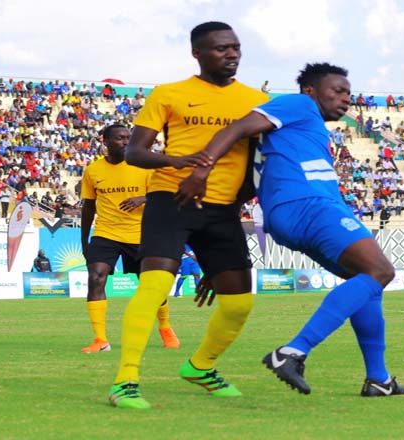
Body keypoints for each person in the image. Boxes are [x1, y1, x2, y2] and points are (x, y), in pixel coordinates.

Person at [176, 62, 404, 397]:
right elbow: (238, 127)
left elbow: (250, 181)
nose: (346, 98)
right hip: (308, 205)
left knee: (366, 281)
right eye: (338, 90)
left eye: (348, 93)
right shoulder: (298, 104)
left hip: (294, 211)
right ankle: (293, 352)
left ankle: (379, 379)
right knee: (380, 271)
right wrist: (202, 168)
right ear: (311, 90)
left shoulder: (297, 129)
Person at [107, 21, 269, 410]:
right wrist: (180, 163)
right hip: (170, 200)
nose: (231, 54)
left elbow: (257, 166)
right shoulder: (169, 94)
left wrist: (235, 203)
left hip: (223, 210)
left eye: (236, 47)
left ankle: (201, 366)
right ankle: (124, 381)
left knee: (238, 303)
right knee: (154, 287)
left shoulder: (256, 100)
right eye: (221, 49)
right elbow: (134, 152)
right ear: (197, 53)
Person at [80, 124, 179, 355]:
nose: (125, 142)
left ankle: (165, 327)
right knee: (96, 277)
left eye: (128, 138)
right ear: (105, 141)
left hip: (141, 234)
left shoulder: (145, 168)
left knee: (151, 285)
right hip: (106, 233)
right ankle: (100, 340)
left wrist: (143, 199)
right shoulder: (93, 171)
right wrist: (85, 242)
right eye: (119, 138)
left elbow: (167, 197)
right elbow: (88, 207)